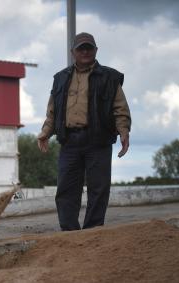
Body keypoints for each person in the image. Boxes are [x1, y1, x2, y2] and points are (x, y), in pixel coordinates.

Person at [37, 32, 131, 231]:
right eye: (81, 48)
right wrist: (45, 132)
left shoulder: (109, 77)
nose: (85, 51)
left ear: (96, 50)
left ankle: (93, 233)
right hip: (69, 142)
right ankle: (70, 234)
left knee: (98, 189)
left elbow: (120, 108)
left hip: (98, 141)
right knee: (66, 190)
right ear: (73, 52)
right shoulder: (61, 78)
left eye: (89, 47)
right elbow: (53, 110)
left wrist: (124, 131)